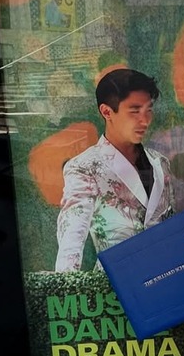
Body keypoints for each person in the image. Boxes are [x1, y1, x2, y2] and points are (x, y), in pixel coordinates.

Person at [55, 69, 174, 271]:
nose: (145, 120)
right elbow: (72, 233)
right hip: (113, 285)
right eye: (135, 111)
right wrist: (66, 286)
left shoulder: (159, 162)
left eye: (149, 110)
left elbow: (170, 225)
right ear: (107, 112)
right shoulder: (84, 167)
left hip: (165, 276)